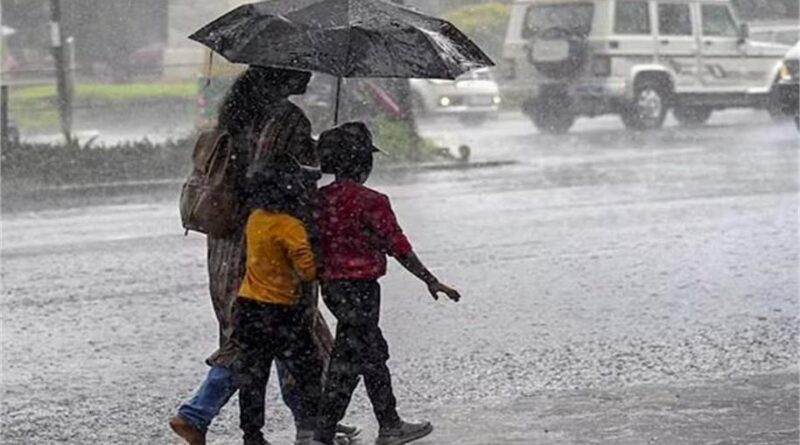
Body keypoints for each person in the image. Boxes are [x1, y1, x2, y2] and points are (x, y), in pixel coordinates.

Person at [169, 66, 358, 445]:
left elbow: (251, 171)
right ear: (282, 75)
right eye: (300, 67)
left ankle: (313, 418)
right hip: (272, 244)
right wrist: (323, 156)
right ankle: (198, 414)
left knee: (264, 334)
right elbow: (284, 179)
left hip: (228, 246)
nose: (309, 74)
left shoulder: (234, 115)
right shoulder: (287, 118)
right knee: (280, 335)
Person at [312, 122, 462, 445]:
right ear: (364, 163)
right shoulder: (373, 201)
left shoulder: (317, 201)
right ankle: (382, 427)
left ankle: (338, 429)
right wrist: (430, 280)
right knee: (356, 357)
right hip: (363, 289)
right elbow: (398, 246)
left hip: (332, 290)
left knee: (361, 353)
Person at [231, 155, 324, 445]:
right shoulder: (291, 227)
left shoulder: (255, 219)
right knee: (309, 368)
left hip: (248, 308)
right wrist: (315, 247)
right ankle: (309, 429)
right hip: (282, 311)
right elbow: (307, 272)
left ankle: (252, 434)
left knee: (253, 376)